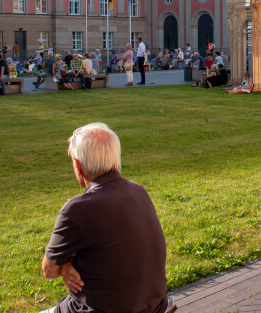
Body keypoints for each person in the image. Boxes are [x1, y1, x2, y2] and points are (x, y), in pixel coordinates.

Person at [40, 123, 174, 313]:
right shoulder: (138, 191)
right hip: (154, 308)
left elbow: (49, 270)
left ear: (77, 164)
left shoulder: (77, 208)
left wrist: (64, 265)